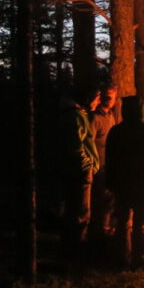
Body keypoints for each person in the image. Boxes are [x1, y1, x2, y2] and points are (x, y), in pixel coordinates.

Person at [105, 95, 144, 270]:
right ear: (141, 111)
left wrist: (110, 182)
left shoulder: (116, 131)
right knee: (142, 224)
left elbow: (110, 159)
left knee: (123, 223)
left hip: (122, 184)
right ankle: (141, 261)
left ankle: (122, 260)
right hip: (143, 185)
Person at [59, 86, 101, 262]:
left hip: (76, 170)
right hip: (80, 172)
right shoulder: (76, 116)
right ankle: (76, 255)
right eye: (97, 98)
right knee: (82, 213)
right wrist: (87, 166)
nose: (98, 102)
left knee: (74, 211)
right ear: (88, 98)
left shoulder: (75, 114)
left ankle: (70, 250)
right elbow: (76, 146)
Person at [90, 85, 120, 236]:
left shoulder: (110, 116)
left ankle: (106, 227)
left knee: (110, 197)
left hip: (109, 164)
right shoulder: (95, 117)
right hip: (98, 165)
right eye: (106, 96)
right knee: (100, 198)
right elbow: (90, 142)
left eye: (112, 97)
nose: (109, 100)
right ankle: (99, 229)